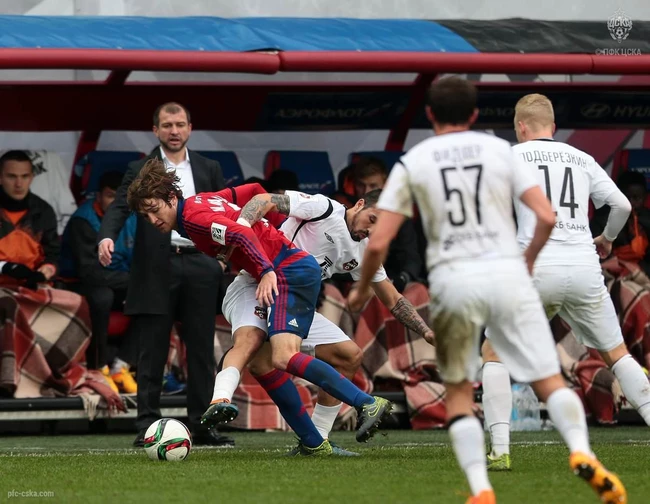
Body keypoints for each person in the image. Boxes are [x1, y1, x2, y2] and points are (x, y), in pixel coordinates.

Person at [350, 77, 626, 504]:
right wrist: (528, 260)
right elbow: (546, 217)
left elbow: (379, 240)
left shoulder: (415, 161)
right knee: (548, 378)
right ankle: (581, 451)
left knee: (462, 391)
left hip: (454, 282)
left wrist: (360, 290)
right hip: (505, 274)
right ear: (475, 114)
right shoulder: (500, 152)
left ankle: (481, 488)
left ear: (429, 114)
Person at [126, 159, 393, 456]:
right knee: (263, 359)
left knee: (281, 356)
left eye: (154, 209)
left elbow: (240, 234)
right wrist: (265, 229)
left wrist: (265, 268)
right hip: (278, 271)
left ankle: (366, 402)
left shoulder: (193, 218)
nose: (152, 220)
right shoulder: (202, 200)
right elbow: (252, 190)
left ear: (171, 197)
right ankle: (312, 441)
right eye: (145, 215)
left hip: (287, 271)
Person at [480, 94, 650, 472]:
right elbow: (622, 205)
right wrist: (607, 238)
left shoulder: (510, 156)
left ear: (521, 126)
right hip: (583, 267)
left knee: (494, 354)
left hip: (534, 266)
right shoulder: (581, 158)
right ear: (553, 127)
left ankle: (500, 450)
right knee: (618, 355)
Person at [214, 187, 433, 455]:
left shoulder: (366, 252)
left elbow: (393, 299)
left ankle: (317, 440)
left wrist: (426, 332)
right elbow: (263, 200)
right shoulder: (323, 208)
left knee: (348, 356)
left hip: (293, 299)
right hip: (256, 285)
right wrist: (240, 232)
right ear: (359, 204)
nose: (372, 231)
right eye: (372, 219)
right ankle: (219, 399)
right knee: (261, 356)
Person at [97, 102, 233, 447]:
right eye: (167, 125)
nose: (174, 131)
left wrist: (221, 260)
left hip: (201, 263)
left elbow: (225, 211)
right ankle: (147, 424)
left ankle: (202, 426)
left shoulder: (209, 167)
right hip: (155, 266)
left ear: (190, 128)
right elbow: (120, 207)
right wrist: (107, 236)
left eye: (180, 124)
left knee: (201, 349)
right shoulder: (139, 168)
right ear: (155, 130)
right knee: (152, 350)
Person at [59, 170, 138, 394]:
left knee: (154, 292)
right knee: (103, 296)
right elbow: (89, 273)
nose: (114, 203)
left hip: (120, 280)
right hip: (80, 282)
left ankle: (121, 365)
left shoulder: (134, 217)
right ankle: (99, 367)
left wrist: (138, 281)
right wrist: (133, 281)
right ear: (98, 195)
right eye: (110, 196)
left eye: (120, 197)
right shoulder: (83, 220)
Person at [0, 150, 58, 288]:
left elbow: (53, 253)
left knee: (77, 301)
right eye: (11, 176)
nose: (19, 184)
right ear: (0, 177)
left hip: (31, 285)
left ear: (32, 177)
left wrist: (48, 269)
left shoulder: (44, 211)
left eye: (25, 176)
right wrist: (4, 267)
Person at [591, 170, 650, 276]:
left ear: (645, 197)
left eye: (636, 198)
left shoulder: (647, 220)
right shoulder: (601, 221)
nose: (631, 203)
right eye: (626, 198)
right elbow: (595, 257)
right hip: (612, 275)